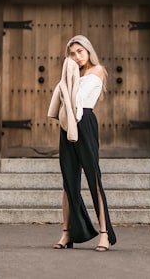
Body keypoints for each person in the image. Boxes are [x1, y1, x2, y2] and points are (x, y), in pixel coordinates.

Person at [47, 34, 116, 252]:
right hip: (67, 122)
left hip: (84, 122)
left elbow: (76, 98)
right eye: (72, 54)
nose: (76, 57)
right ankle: (67, 232)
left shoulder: (97, 71)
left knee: (93, 178)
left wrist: (68, 78)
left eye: (80, 52)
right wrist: (69, 76)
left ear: (88, 51)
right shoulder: (73, 73)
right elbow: (64, 100)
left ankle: (104, 234)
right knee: (68, 179)